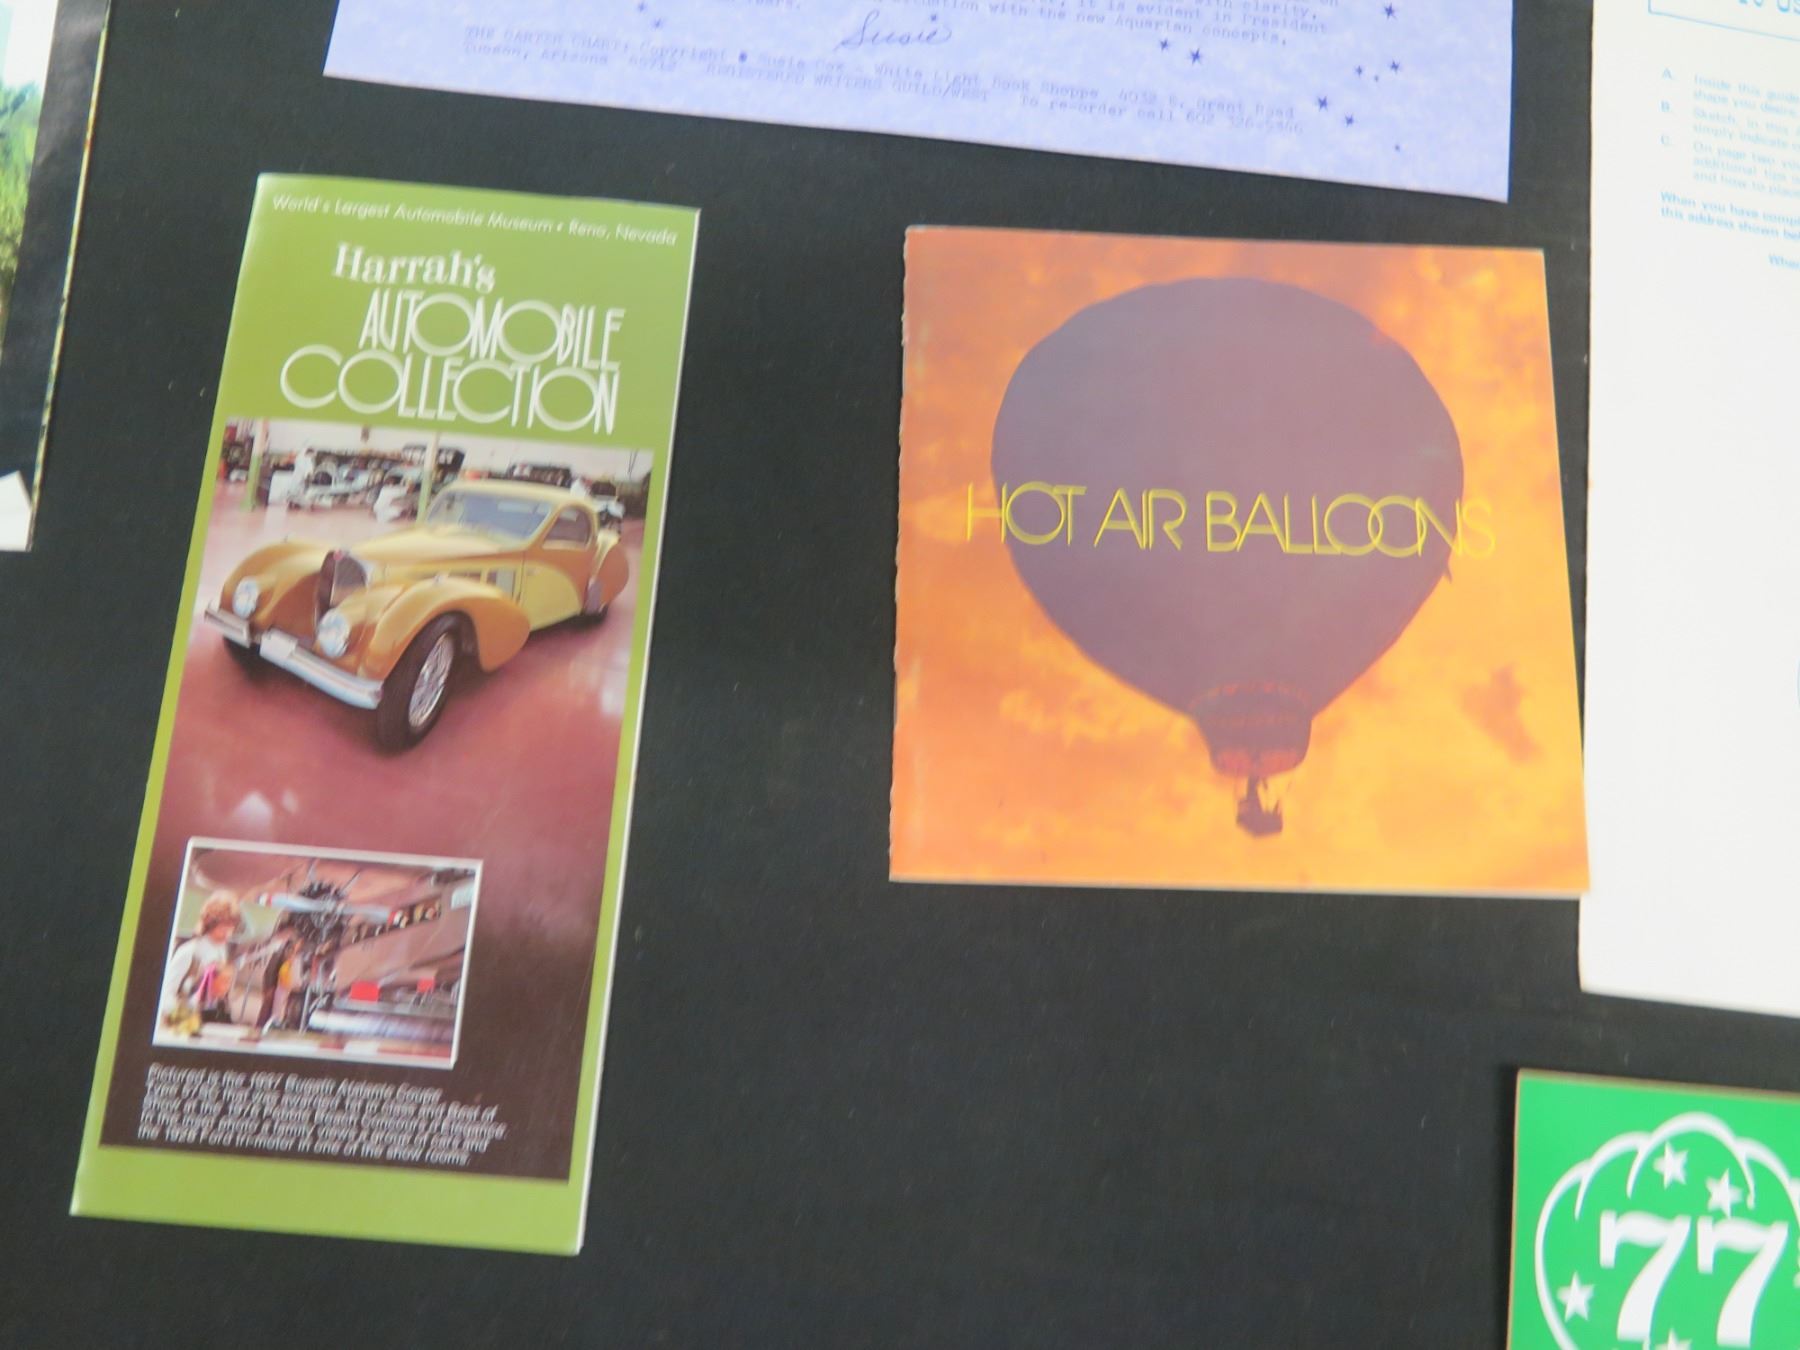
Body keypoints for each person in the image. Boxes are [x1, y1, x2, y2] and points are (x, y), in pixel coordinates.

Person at [160, 891, 241, 1033]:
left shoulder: (223, 951)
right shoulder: (189, 951)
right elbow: (165, 993)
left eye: (231, 926)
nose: (228, 932)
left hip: (210, 1023)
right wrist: (185, 1018)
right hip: (184, 1026)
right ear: (210, 923)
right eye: (224, 926)